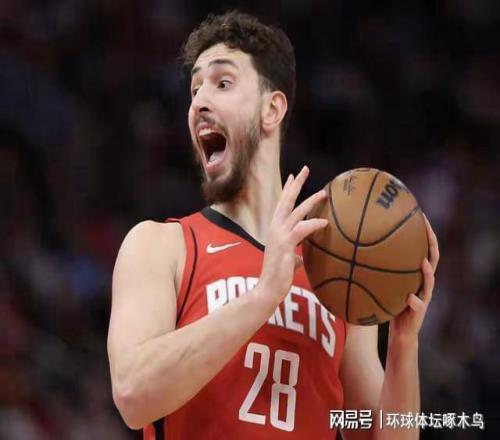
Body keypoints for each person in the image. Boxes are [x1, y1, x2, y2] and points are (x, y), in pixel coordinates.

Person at [107, 11, 439, 439]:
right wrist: (263, 296)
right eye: (195, 89)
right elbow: (133, 393)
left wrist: (403, 346)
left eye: (222, 83)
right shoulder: (161, 245)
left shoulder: (337, 266)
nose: (199, 102)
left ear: (272, 108)